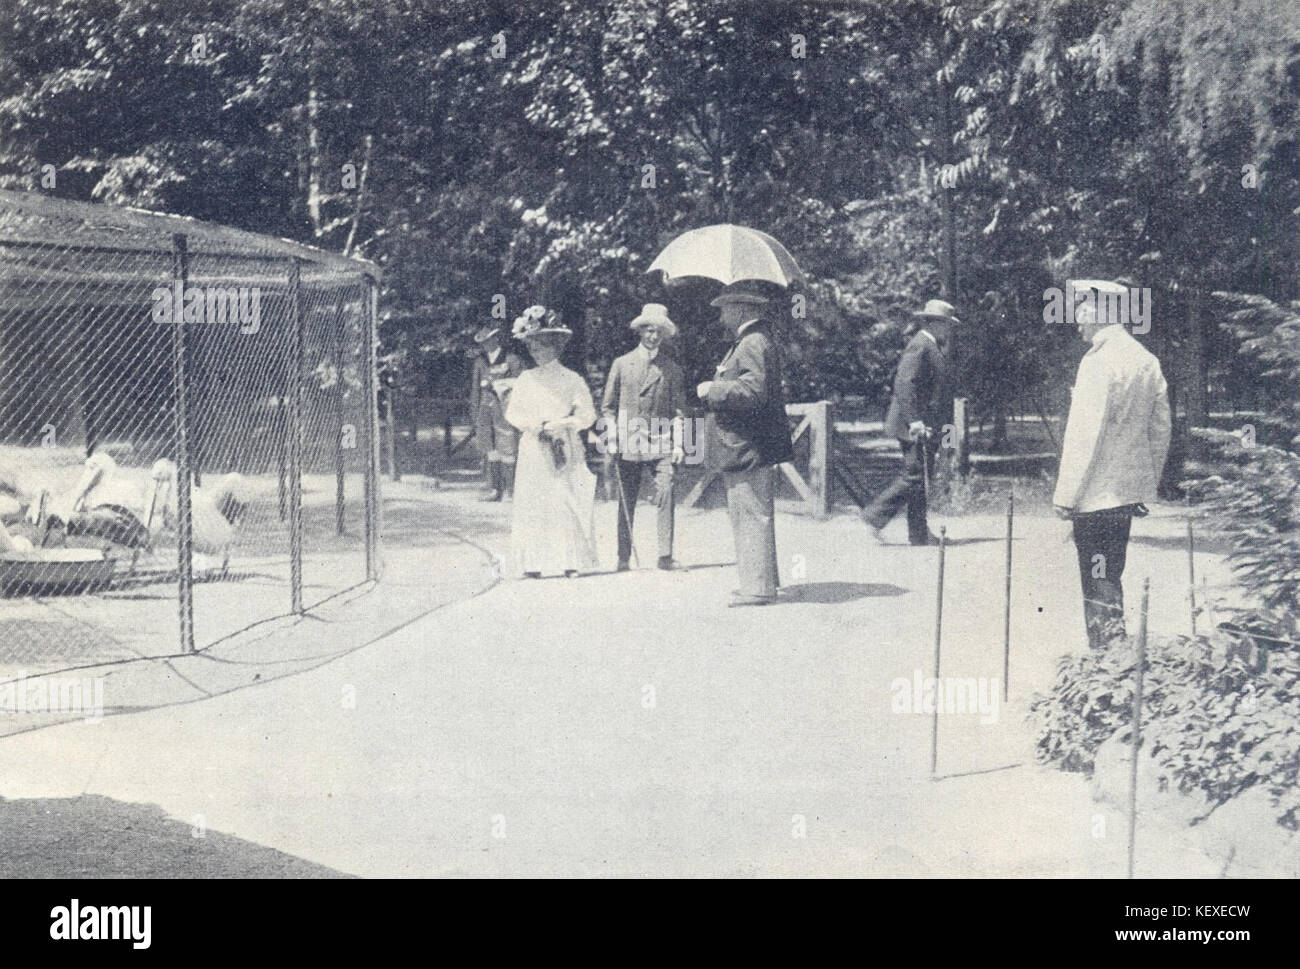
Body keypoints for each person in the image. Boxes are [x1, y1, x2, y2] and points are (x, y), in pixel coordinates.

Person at [1053, 279, 1171, 649]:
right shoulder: (1145, 359)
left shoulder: (1098, 362)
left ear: (1099, 312)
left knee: (1097, 575)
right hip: (1124, 495)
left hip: (1094, 494)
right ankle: (1113, 654)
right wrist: (1143, 482)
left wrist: (1065, 495)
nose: (1077, 322)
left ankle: (1107, 657)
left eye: (1081, 312)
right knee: (1110, 571)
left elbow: (1084, 436)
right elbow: (1160, 429)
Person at [697, 288, 793, 606]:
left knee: (750, 512)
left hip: (747, 444)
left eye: (724, 309)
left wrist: (713, 389)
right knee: (751, 511)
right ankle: (761, 581)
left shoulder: (751, 342)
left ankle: (757, 588)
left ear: (739, 310)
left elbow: (753, 391)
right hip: (748, 443)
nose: (720, 316)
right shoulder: (753, 341)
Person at [505, 305, 599, 578]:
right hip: (535, 446)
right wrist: (534, 426)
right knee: (534, 501)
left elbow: (587, 414)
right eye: (532, 346)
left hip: (563, 443)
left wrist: (565, 423)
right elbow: (513, 412)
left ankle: (571, 560)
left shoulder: (572, 379)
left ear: (555, 347)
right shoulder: (526, 378)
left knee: (564, 498)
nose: (536, 351)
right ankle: (533, 562)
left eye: (542, 345)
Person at [862, 298, 961, 546]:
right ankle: (873, 518)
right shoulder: (920, 345)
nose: (949, 329)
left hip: (925, 426)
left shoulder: (934, 346)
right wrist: (915, 420)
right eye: (947, 324)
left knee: (920, 477)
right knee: (914, 476)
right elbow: (904, 384)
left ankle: (918, 534)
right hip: (912, 425)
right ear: (935, 323)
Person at [601, 303, 686, 571]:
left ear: (664, 334)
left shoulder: (671, 369)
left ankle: (664, 555)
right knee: (627, 497)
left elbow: (679, 411)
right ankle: (623, 557)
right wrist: (612, 437)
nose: (653, 336)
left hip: (661, 441)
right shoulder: (622, 364)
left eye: (658, 331)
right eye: (649, 330)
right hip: (628, 441)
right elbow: (607, 406)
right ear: (640, 331)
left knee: (666, 491)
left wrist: (680, 443)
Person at [469, 324, 525, 501]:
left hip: (505, 409)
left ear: (496, 339)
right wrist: (475, 413)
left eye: (488, 341)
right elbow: (475, 389)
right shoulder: (480, 361)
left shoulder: (510, 358)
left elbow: (522, 381)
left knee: (507, 446)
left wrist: (502, 384)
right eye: (483, 343)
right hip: (485, 410)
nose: (486, 345)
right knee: (489, 447)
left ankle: (510, 490)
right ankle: (495, 489)